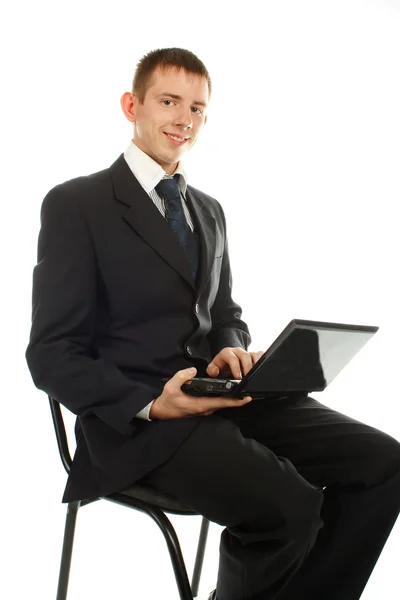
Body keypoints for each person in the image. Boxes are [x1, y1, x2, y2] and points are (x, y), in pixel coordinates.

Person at [26, 47, 400, 600]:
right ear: (133, 105)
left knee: (383, 465)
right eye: (169, 101)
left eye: (197, 108)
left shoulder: (208, 209)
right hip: (141, 425)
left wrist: (232, 349)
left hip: (224, 396)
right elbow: (52, 353)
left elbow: (225, 314)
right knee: (289, 506)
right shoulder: (76, 204)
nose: (185, 119)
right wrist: (154, 403)